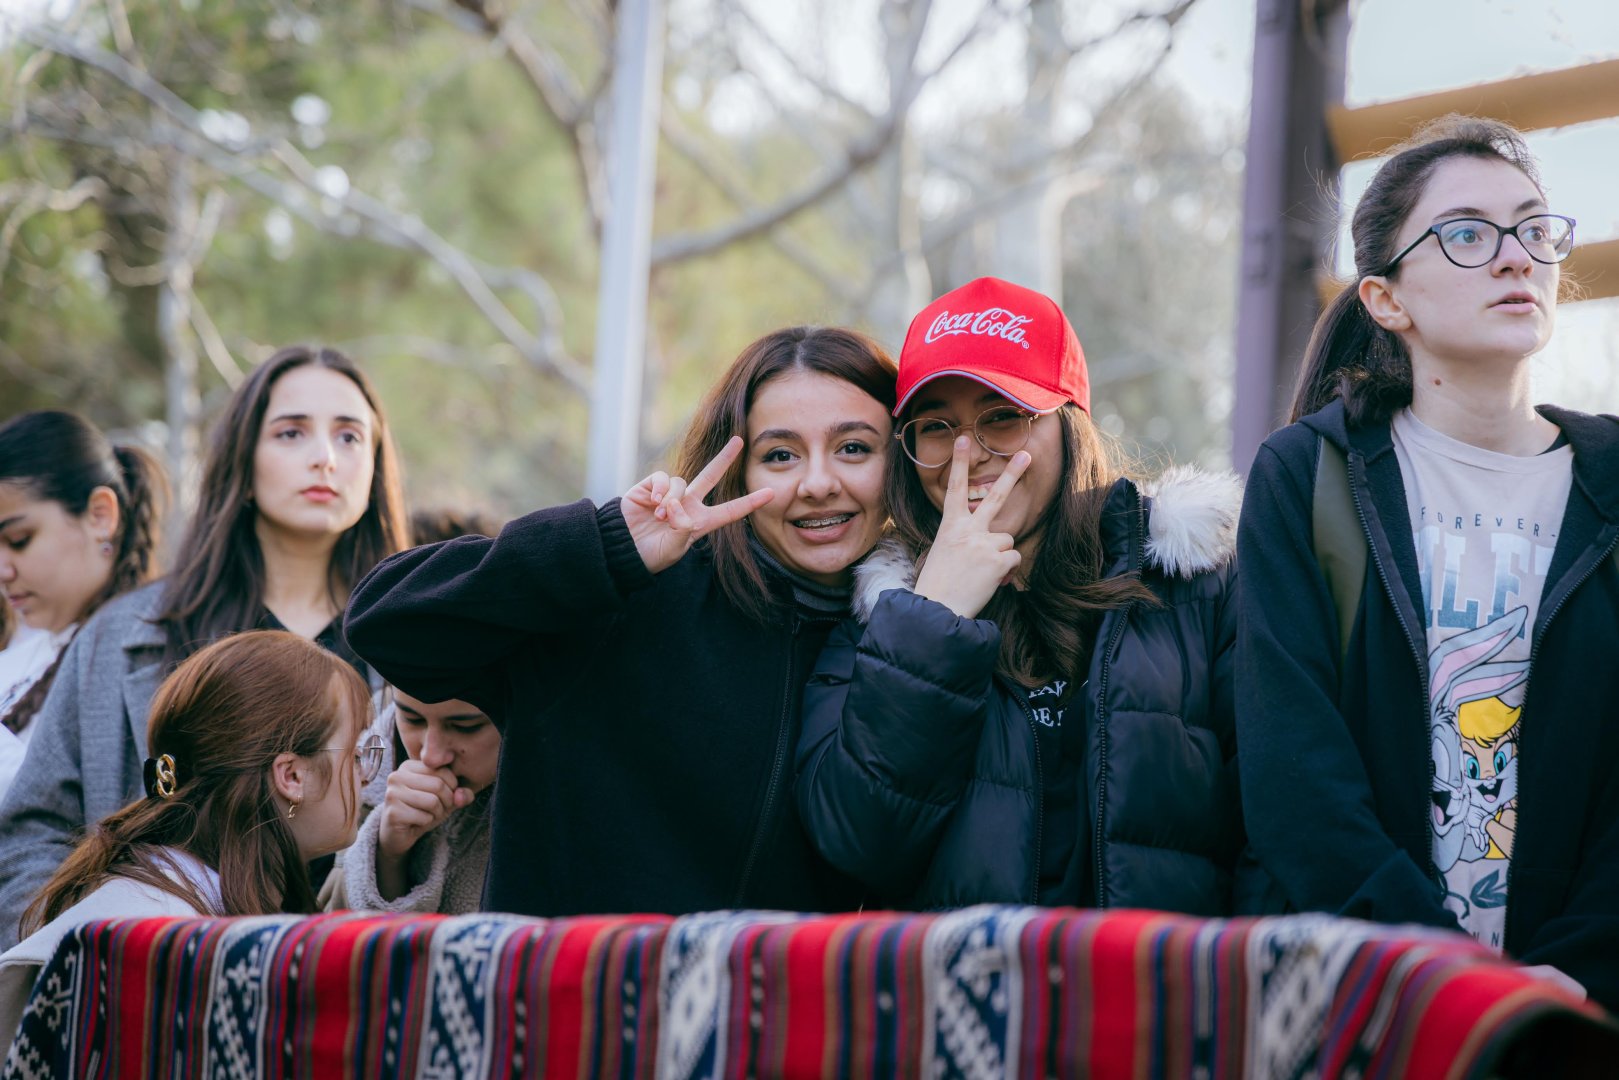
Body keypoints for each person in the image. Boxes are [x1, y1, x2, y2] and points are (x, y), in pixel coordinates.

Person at [1236, 115, 1619, 1009]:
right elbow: (1294, 775)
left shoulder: (1611, 483)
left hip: (1581, 1013)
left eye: (1532, 227)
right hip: (1366, 1006)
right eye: (1465, 234)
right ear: (1385, 300)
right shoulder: (1307, 475)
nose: (1515, 256)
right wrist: (1443, 981)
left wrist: (1578, 974)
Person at [345, 326, 896, 916]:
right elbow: (387, 623)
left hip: (773, 1003)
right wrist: (604, 547)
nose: (817, 484)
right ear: (737, 468)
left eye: (854, 448)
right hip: (572, 996)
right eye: (780, 455)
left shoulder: (915, 634)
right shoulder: (624, 593)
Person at [795, 277, 1243, 911]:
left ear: (1070, 427)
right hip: (959, 1003)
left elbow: (1273, 827)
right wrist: (933, 619)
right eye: (936, 426)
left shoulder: (1198, 587)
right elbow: (855, 842)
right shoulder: (880, 621)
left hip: (1157, 996)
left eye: (1003, 417)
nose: (968, 454)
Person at [0, 346, 409, 948]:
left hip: (346, 991)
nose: (324, 458)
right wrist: (88, 950)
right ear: (242, 459)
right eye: (291, 432)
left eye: (350, 438)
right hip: (152, 991)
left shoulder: (412, 646)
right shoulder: (128, 634)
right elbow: (32, 827)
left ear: (376, 468)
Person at [0, 630, 382, 1047]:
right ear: (292, 776)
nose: (366, 775)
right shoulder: (160, 952)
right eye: (357, 752)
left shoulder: (171, 901)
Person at [0, 411, 167, 803]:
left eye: (19, 539)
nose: (3, 570)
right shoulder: (19, 658)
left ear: (100, 516)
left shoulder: (154, 664)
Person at [324, 690, 498, 914]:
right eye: (412, 719)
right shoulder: (365, 776)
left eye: (465, 727)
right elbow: (338, 933)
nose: (430, 755)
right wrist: (387, 855)